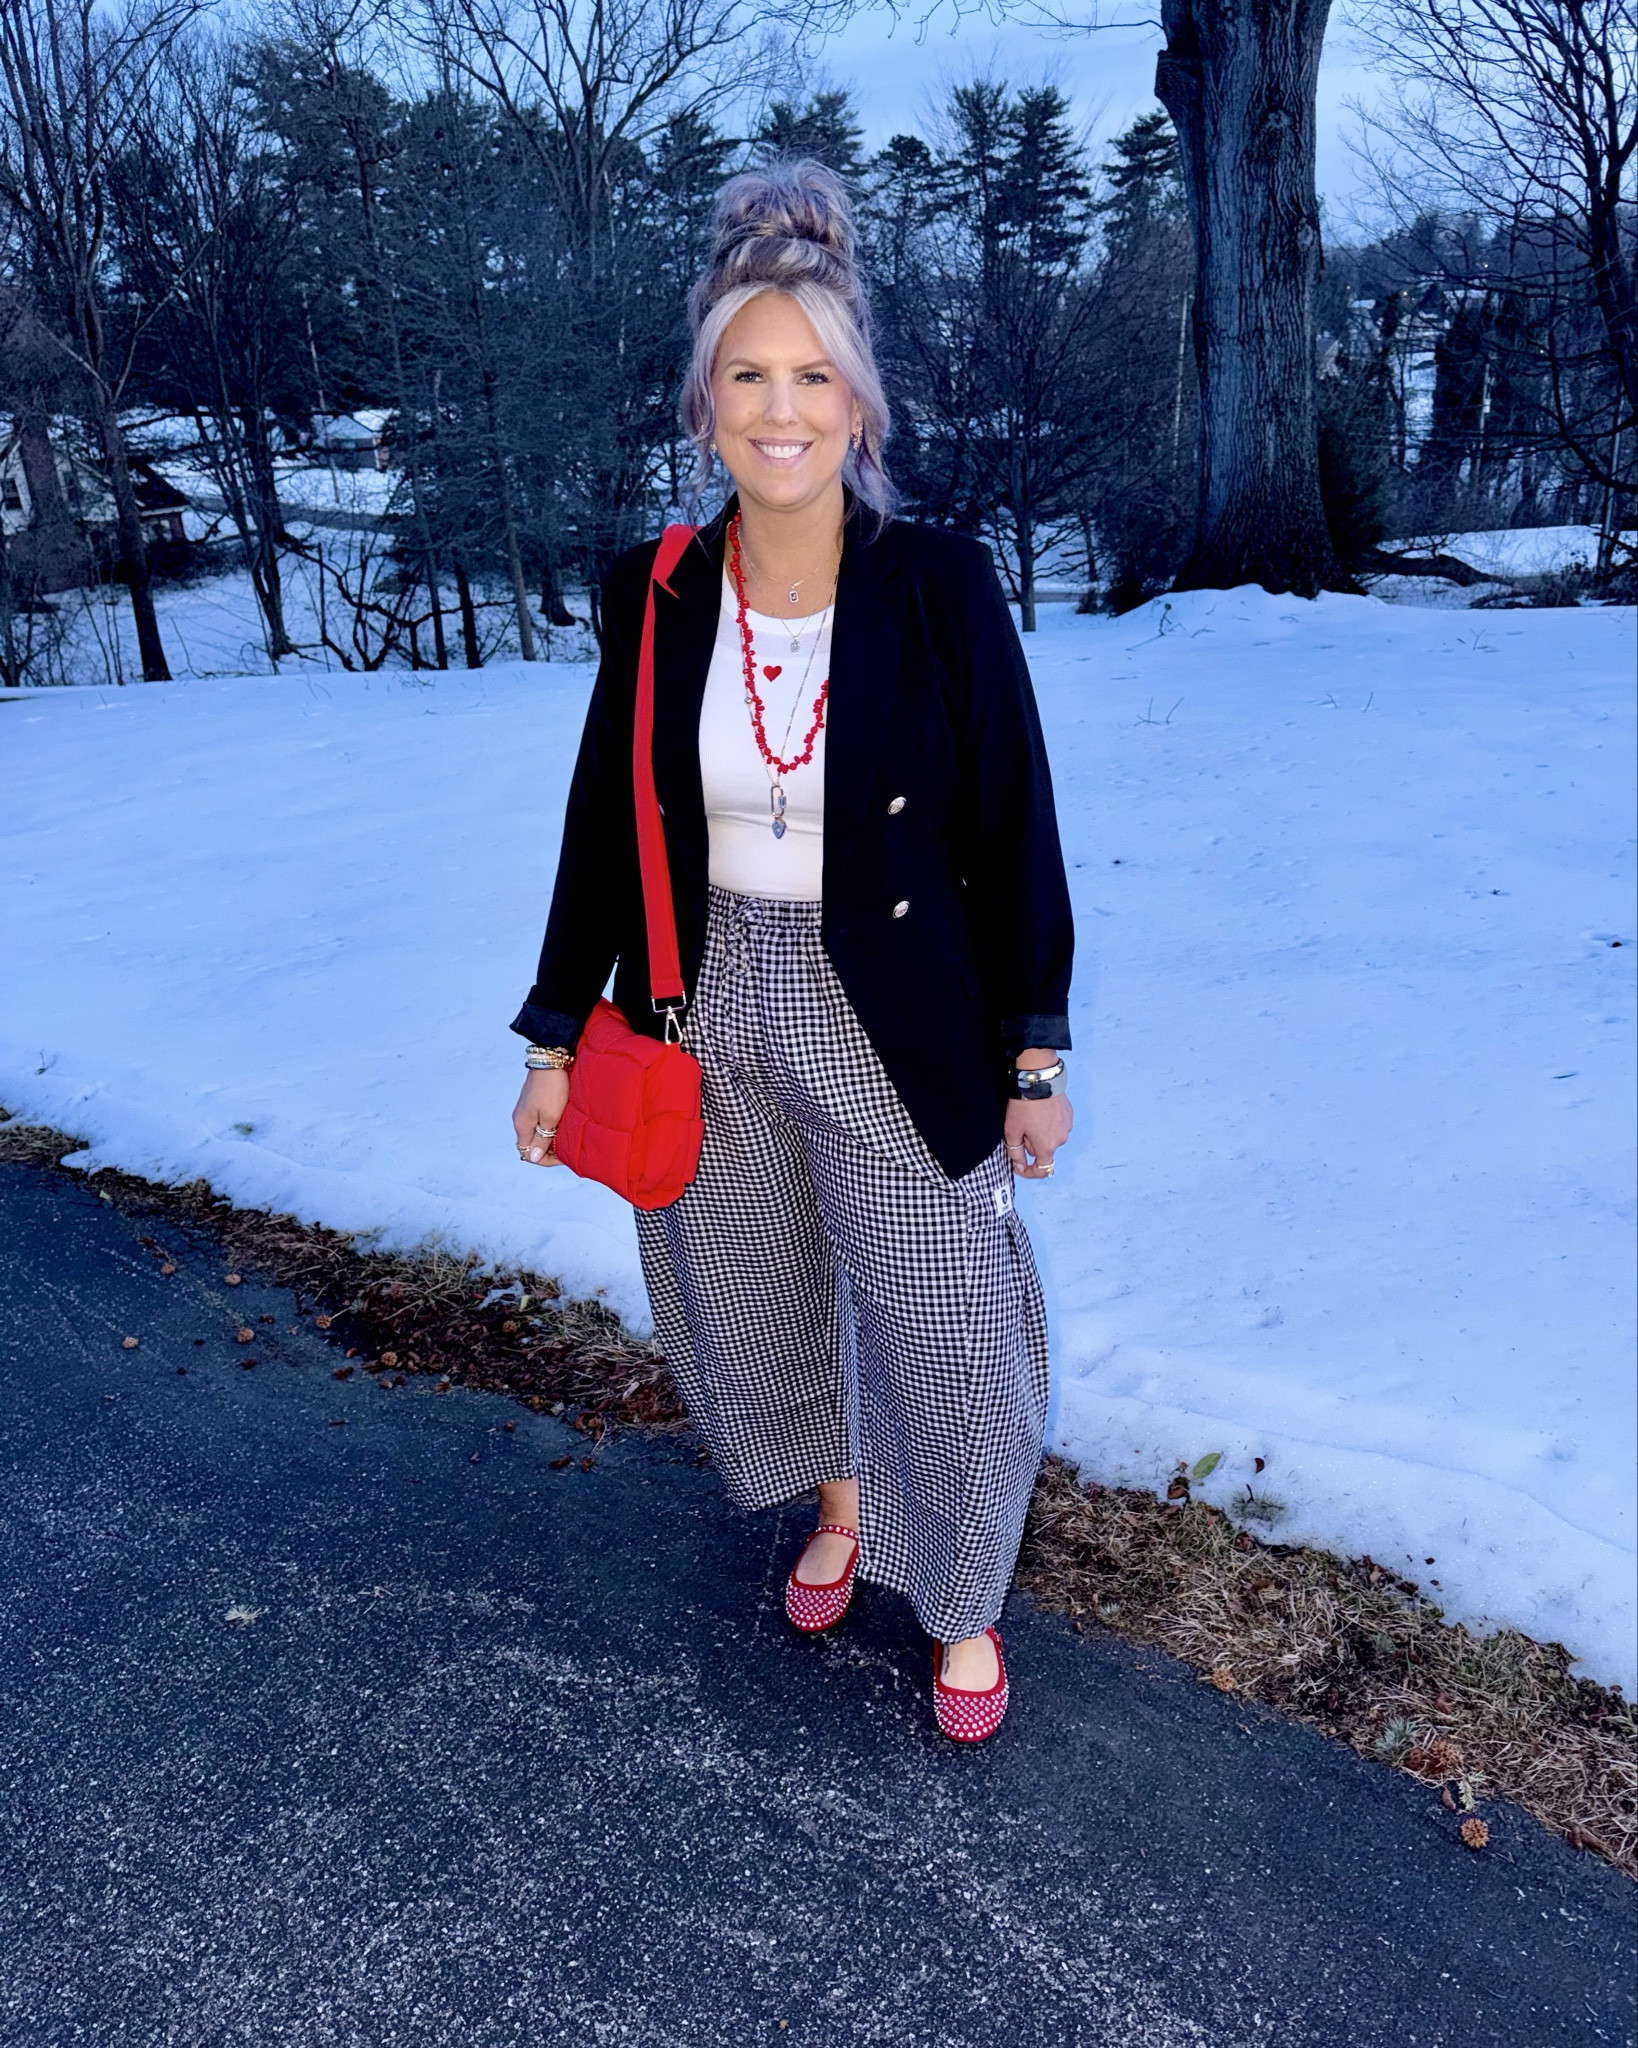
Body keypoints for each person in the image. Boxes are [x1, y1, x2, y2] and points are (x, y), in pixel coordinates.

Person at [510, 160, 1074, 1742]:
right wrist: (559, 1031)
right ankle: (840, 1505)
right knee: (755, 1291)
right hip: (701, 996)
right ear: (703, 409)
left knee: (943, 1314)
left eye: (809, 375)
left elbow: (1013, 827)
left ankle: (955, 1595)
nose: (778, 409)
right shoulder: (658, 590)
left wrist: (1033, 1051)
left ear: (858, 404)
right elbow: (600, 819)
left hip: (893, 1002)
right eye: (745, 376)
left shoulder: (939, 587)